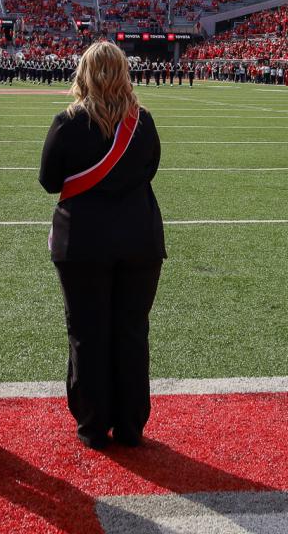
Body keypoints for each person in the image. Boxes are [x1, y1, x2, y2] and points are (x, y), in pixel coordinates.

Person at [39, 40, 165, 449]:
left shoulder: (67, 123)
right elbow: (150, 169)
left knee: (87, 333)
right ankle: (131, 425)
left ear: (83, 74)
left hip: (83, 241)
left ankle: (93, 425)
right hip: (139, 238)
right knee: (131, 331)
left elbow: (49, 181)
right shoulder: (142, 123)